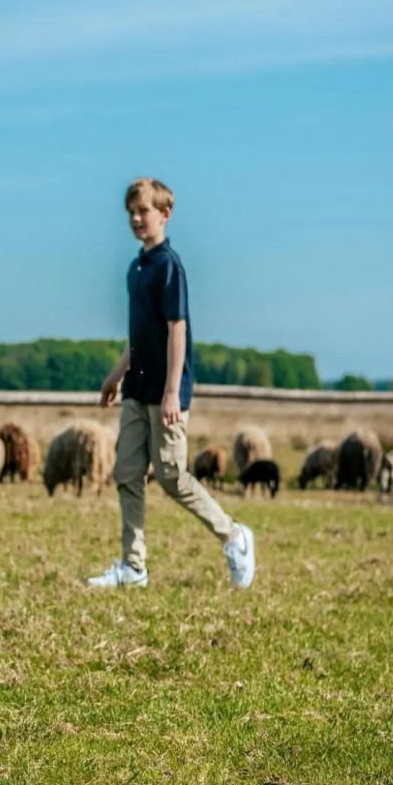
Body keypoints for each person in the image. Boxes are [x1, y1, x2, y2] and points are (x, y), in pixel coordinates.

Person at [89, 177, 256, 590]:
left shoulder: (169, 266)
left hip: (166, 394)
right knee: (126, 471)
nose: (135, 218)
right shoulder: (136, 268)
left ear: (164, 214)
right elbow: (140, 335)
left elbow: (175, 328)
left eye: (143, 211)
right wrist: (117, 373)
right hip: (136, 389)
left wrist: (171, 393)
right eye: (131, 212)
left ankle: (234, 536)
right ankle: (133, 566)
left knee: (171, 476)